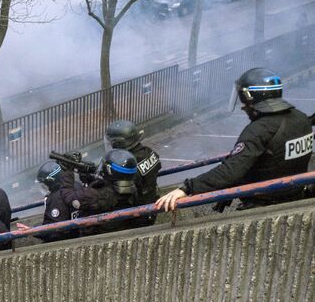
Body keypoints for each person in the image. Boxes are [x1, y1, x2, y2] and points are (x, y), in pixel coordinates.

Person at [156, 68, 313, 212]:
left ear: (251, 97)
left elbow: (230, 170)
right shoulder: (300, 119)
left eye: (243, 100)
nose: (243, 107)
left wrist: (186, 188)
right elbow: (271, 161)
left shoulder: (258, 131)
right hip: (295, 195)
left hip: (266, 206)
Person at [59, 149, 149, 234]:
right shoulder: (133, 188)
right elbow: (110, 186)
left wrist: (67, 172)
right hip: (123, 231)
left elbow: (69, 197)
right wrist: (91, 179)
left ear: (109, 170)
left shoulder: (95, 195)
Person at [35, 161, 80, 242]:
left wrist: (34, 231)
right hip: (82, 233)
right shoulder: (77, 185)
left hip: (68, 241)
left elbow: (56, 230)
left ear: (51, 181)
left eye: (44, 184)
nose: (45, 188)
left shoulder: (55, 198)